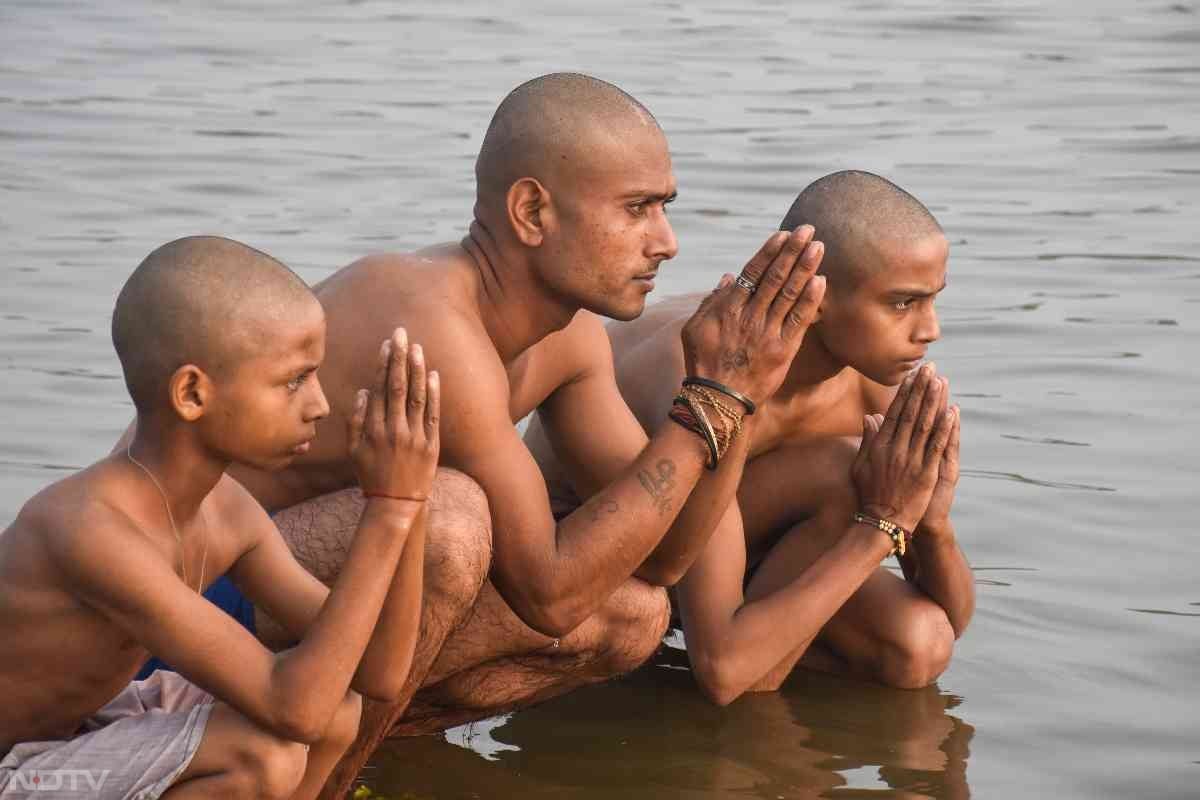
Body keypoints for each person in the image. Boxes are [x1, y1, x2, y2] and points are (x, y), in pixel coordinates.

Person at [226, 72, 829, 796]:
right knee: (450, 524)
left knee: (633, 616)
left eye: (665, 208)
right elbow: (547, 592)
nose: (666, 243)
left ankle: (345, 757)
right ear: (532, 211)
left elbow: (666, 558)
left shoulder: (569, 338)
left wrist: (737, 402)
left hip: (317, 610)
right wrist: (708, 401)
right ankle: (317, 784)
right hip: (193, 605)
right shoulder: (431, 320)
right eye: (637, 209)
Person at [0, 236, 438, 798]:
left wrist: (413, 499)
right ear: (191, 393)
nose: (321, 405)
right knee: (264, 755)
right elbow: (292, 709)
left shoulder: (227, 510)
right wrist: (388, 512)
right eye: (294, 380)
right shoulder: (90, 528)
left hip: (71, 737)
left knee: (338, 709)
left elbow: (378, 674)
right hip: (18, 766)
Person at [531, 171, 975, 704]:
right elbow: (724, 676)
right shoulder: (714, 371)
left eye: (933, 300)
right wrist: (883, 527)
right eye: (903, 304)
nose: (930, 330)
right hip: (609, 560)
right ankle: (741, 659)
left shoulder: (873, 381)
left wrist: (932, 524)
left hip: (737, 546)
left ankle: (752, 664)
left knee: (919, 643)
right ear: (818, 295)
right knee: (844, 473)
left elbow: (953, 618)